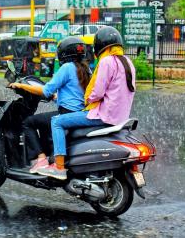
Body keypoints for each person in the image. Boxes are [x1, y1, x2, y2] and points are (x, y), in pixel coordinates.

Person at [37, 27, 136, 180]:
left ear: (100, 47)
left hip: (104, 115)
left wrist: (87, 100)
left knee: (56, 122)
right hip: (121, 116)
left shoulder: (107, 62)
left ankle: (59, 166)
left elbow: (97, 92)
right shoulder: (127, 62)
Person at [9, 37, 91, 173]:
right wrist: (55, 97)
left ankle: (41, 160)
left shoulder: (67, 68)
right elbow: (73, 93)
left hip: (67, 114)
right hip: (79, 114)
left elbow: (46, 90)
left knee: (28, 122)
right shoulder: (86, 70)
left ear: (64, 53)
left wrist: (20, 85)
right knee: (44, 122)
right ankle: (49, 156)